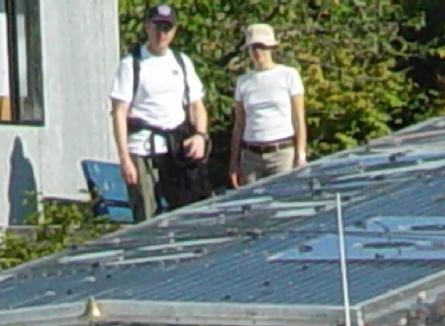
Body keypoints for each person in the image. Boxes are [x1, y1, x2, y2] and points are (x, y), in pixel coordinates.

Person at [110, 4, 211, 223]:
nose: (162, 34)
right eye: (157, 27)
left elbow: (196, 106)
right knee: (147, 214)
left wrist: (200, 136)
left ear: (174, 31)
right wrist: (125, 158)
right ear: (147, 27)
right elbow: (119, 113)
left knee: (186, 211)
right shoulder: (132, 64)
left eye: (167, 28)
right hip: (142, 149)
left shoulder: (182, 62)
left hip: (176, 149)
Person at [229, 23, 306, 186]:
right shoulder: (243, 82)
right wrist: (234, 162)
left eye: (262, 47)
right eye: (254, 47)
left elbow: (298, 119)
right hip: (251, 155)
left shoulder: (288, 75)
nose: (258, 52)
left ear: (271, 48)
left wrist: (301, 155)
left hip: (282, 153)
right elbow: (239, 124)